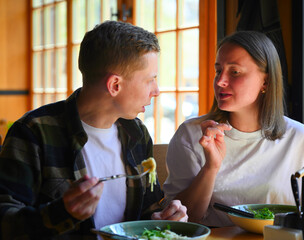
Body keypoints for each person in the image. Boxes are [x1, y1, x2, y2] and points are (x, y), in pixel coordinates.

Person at [0, 20, 187, 239]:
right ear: (115, 85)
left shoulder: (136, 133)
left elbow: (147, 210)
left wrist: (162, 217)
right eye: (151, 80)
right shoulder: (34, 133)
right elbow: (5, 222)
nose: (156, 91)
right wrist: (62, 212)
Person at [162, 31, 304, 227]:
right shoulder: (192, 135)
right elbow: (182, 220)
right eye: (218, 70)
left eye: (234, 72)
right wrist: (211, 167)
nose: (220, 81)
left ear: (265, 82)